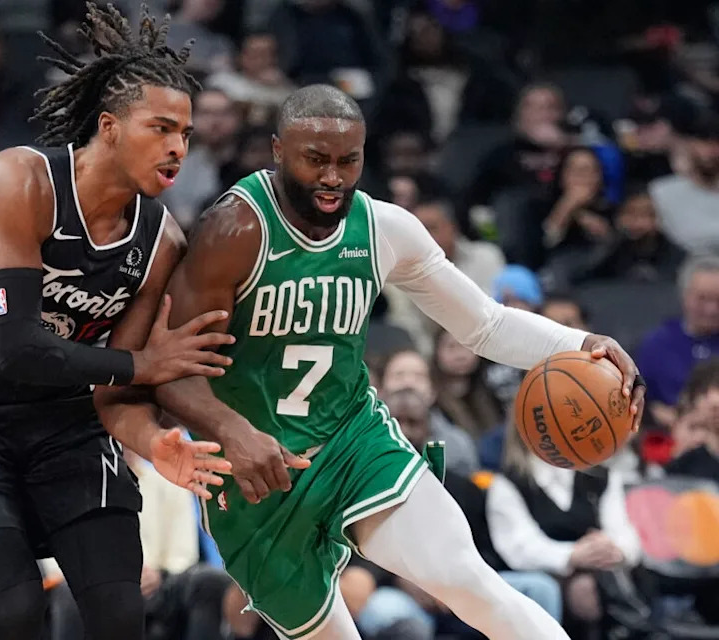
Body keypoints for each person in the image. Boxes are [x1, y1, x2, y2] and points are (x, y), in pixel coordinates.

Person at [141, 84, 647, 640]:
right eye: (316, 160)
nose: (333, 177)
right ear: (278, 151)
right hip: (252, 476)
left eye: (347, 160)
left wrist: (579, 345)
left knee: (467, 578)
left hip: (351, 441)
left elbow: (485, 323)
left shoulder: (385, 228)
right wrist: (232, 430)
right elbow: (171, 370)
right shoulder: (234, 229)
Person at [0, 6, 234, 640]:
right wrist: (141, 366)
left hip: (63, 427)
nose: (178, 148)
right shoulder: (19, 183)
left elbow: (116, 390)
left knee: (119, 613)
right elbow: (16, 349)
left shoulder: (160, 241)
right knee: (14, 611)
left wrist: (154, 441)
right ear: (108, 127)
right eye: (161, 128)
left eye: (185, 133)